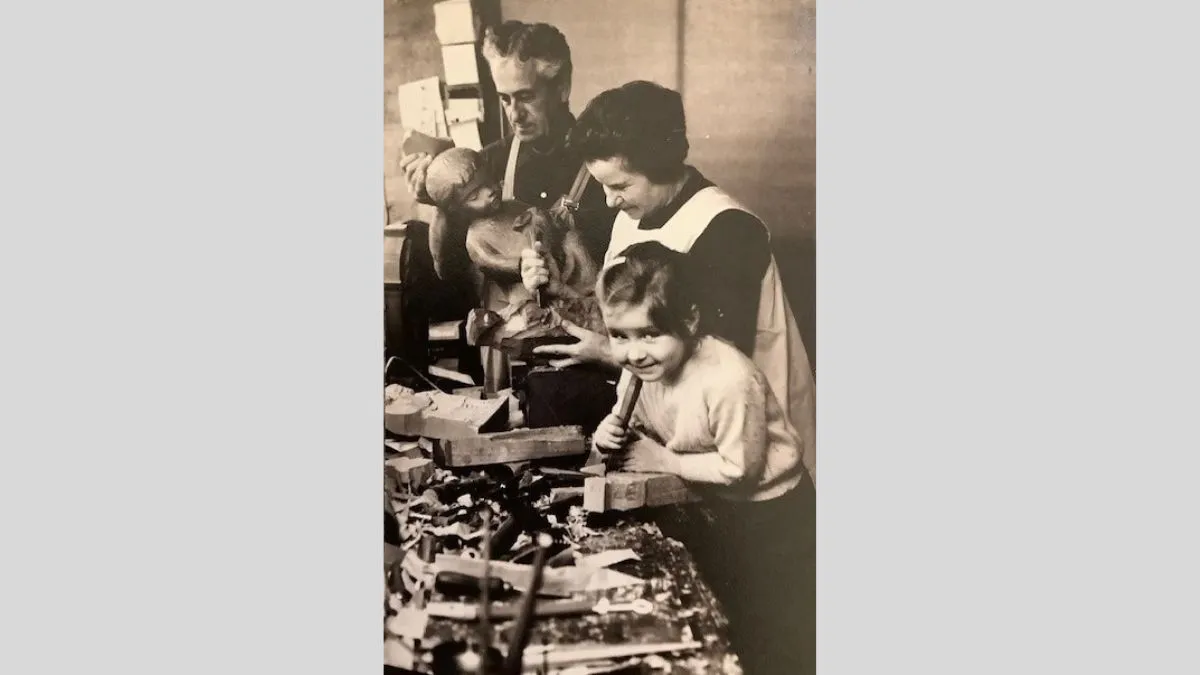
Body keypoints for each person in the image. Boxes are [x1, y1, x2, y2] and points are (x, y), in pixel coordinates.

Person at [521, 80, 816, 482]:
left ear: (662, 164)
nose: (609, 201)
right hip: (675, 409)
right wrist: (559, 290)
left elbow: (707, 359)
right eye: (603, 186)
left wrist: (607, 351)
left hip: (745, 445)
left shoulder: (727, 229)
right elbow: (627, 309)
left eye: (619, 186)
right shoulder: (633, 215)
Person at [591, 241, 814, 675]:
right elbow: (632, 430)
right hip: (712, 502)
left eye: (650, 334)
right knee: (720, 608)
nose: (633, 353)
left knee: (770, 634)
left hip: (773, 517)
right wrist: (606, 438)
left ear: (689, 320)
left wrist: (663, 459)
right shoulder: (642, 367)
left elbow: (739, 471)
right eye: (620, 336)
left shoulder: (728, 379)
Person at [399, 21, 616, 267]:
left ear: (562, 89)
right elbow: (449, 271)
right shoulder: (486, 165)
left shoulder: (606, 168)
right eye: (505, 99)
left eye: (526, 97)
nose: (514, 115)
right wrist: (442, 206)